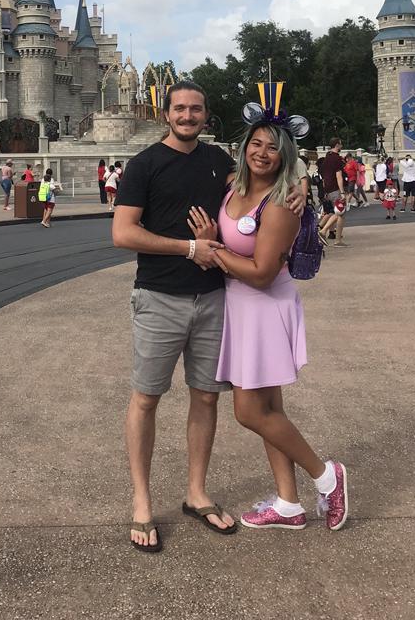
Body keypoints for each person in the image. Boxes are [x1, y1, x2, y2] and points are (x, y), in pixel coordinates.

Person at [113, 80, 307, 552]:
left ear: (205, 115)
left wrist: (301, 183)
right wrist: (190, 247)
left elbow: (267, 172)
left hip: (215, 299)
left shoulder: (220, 162)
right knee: (146, 399)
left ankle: (196, 493)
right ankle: (142, 501)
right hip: (159, 297)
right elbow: (123, 233)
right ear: (166, 113)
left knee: (206, 400)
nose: (187, 116)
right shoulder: (143, 166)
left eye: (195, 109)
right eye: (179, 108)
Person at [188, 117, 348, 532]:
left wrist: (212, 249)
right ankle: (288, 504)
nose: (261, 152)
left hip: (263, 306)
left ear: (284, 155)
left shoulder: (279, 204)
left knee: (249, 412)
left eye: (272, 147)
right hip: (239, 307)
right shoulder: (234, 186)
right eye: (255, 144)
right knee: (271, 410)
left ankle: (326, 476)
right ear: (244, 148)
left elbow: (260, 272)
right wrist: (305, 184)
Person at [319, 139, 348, 247]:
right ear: (337, 145)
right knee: (340, 213)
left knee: (337, 212)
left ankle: (331, 234)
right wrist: (342, 192)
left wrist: (325, 190)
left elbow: (324, 176)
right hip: (335, 188)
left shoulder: (327, 158)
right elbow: (338, 176)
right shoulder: (337, 158)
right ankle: (328, 234)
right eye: (340, 143)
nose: (342, 145)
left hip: (328, 188)